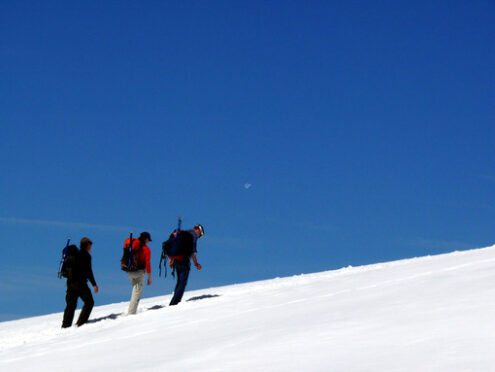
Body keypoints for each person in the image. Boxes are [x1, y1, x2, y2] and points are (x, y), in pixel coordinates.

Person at [62, 237, 99, 328]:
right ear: (87, 245)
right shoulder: (86, 256)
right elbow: (89, 272)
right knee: (89, 302)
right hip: (80, 284)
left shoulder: (75, 254)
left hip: (70, 283)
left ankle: (65, 326)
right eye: (90, 245)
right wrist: (94, 284)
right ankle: (80, 323)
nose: (91, 247)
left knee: (71, 305)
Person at [168, 224, 204, 306]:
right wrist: (196, 264)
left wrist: (171, 260)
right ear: (198, 230)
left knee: (179, 281)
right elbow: (193, 252)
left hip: (176, 259)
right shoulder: (193, 236)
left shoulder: (182, 233)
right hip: (184, 260)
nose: (199, 237)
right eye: (200, 234)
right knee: (182, 282)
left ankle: (174, 301)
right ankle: (174, 303)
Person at [125, 232, 152, 315]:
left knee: (135, 289)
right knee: (137, 292)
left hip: (129, 270)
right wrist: (149, 276)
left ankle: (131, 311)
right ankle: (131, 314)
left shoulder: (132, 245)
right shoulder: (146, 249)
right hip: (139, 272)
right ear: (146, 239)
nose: (148, 242)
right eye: (148, 240)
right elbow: (147, 263)